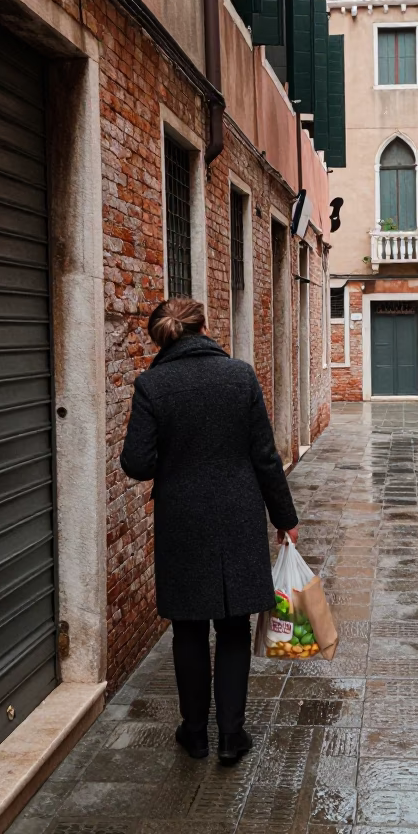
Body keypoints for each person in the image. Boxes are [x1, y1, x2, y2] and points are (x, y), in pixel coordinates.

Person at [120, 297, 299, 765]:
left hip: (182, 520)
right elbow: (265, 455)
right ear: (204, 327)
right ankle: (231, 736)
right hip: (238, 515)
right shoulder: (239, 376)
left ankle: (195, 734)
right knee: (235, 628)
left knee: (189, 630)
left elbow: (136, 463)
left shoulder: (152, 385)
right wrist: (285, 518)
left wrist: (176, 466)